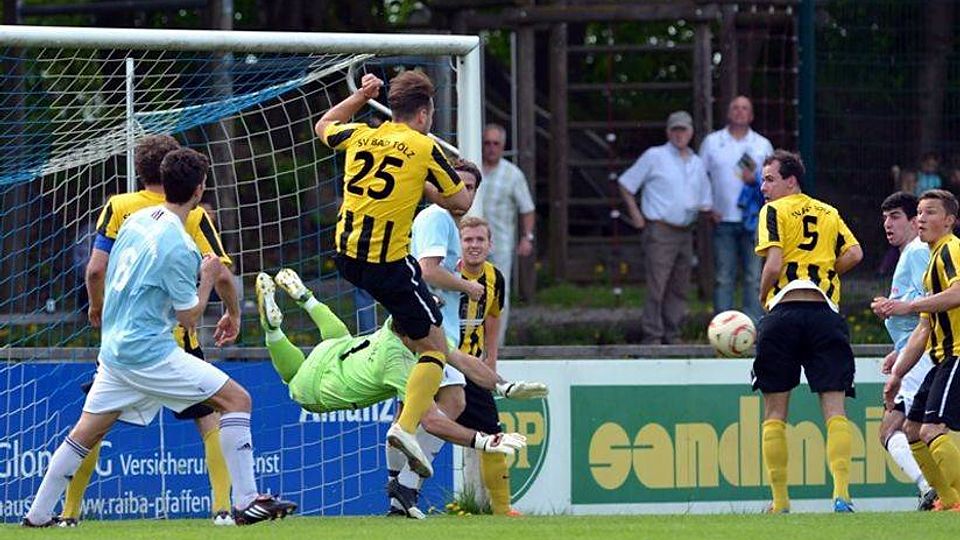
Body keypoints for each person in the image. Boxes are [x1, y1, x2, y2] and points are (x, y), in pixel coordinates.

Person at [22, 148, 296, 528]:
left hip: (116, 351)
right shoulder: (180, 245)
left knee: (86, 432)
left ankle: (37, 516)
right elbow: (188, 316)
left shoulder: (135, 220)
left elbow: (102, 270)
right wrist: (206, 277)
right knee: (237, 399)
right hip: (150, 352)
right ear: (200, 190)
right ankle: (246, 500)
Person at [65, 135, 240, 527]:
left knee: (91, 426)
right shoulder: (192, 213)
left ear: (143, 172)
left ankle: (68, 513)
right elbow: (220, 270)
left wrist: (98, 307)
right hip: (176, 340)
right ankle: (222, 509)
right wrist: (231, 311)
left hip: (125, 340)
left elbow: (95, 269)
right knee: (212, 416)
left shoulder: (120, 206)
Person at [315, 71, 473, 478]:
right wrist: (427, 187)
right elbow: (460, 199)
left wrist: (363, 96)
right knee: (435, 346)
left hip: (346, 258)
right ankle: (404, 427)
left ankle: (403, 338)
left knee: (412, 325)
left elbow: (323, 126)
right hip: (388, 264)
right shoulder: (424, 147)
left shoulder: (360, 135)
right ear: (423, 114)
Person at [753, 150, 863, 513]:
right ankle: (842, 493)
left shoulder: (773, 212)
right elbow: (855, 253)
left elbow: (774, 262)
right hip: (823, 314)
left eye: (770, 179)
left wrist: (762, 293)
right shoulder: (828, 211)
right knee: (834, 409)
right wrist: (826, 272)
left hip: (784, 312)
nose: (763, 187)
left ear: (791, 181)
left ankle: (780, 501)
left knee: (774, 412)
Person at [390, 158, 482, 516]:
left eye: (470, 187)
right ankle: (407, 486)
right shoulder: (436, 218)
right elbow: (428, 271)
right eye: (456, 184)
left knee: (407, 411)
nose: (463, 193)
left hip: (429, 327)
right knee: (452, 402)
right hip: (426, 331)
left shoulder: (444, 221)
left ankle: (399, 494)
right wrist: (467, 286)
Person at [877, 189, 960, 512]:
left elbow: (957, 293)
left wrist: (906, 305)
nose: (922, 218)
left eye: (931, 213)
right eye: (920, 213)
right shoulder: (930, 262)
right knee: (911, 430)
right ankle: (948, 501)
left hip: (956, 353)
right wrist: (897, 374)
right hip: (940, 357)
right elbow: (924, 328)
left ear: (949, 221)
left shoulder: (951, 250)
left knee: (931, 429)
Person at [618, 110, 712, 344]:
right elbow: (626, 183)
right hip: (660, 230)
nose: (679, 134)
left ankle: (673, 333)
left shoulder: (697, 163)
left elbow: (705, 199)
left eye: (683, 130)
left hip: (685, 231)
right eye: (675, 130)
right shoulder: (654, 156)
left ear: (691, 133)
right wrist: (635, 214)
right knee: (657, 285)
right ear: (668, 132)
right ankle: (652, 335)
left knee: (679, 286)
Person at [869, 192, 936, 509]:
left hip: (923, 358)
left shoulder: (918, 252)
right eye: (885, 217)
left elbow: (933, 302)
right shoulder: (909, 254)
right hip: (913, 353)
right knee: (899, 429)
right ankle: (932, 489)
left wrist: (894, 308)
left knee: (907, 429)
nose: (887, 223)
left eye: (895, 216)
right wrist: (899, 350)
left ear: (914, 221)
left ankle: (934, 489)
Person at [455, 215, 517, 516]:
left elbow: (493, 315)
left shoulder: (495, 278)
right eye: (468, 240)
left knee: (492, 433)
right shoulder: (444, 272)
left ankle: (503, 510)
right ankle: (402, 501)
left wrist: (491, 357)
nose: (474, 245)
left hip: (472, 369)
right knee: (418, 430)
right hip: (438, 363)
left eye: (480, 240)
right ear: (459, 244)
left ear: (490, 245)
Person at [699, 96, 773, 322]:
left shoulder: (762, 144)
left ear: (751, 115)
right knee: (723, 276)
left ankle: (754, 329)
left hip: (755, 221)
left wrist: (756, 180)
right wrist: (708, 207)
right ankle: (723, 329)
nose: (740, 112)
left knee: (754, 277)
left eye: (745, 108)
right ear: (728, 113)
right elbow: (700, 176)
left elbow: (772, 181)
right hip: (722, 219)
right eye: (735, 108)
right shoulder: (712, 142)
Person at [469, 123, 535, 345]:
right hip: (470, 243)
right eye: (487, 143)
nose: (491, 148)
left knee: (499, 294)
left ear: (503, 146)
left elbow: (527, 208)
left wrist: (527, 237)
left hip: (501, 244)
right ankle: (471, 343)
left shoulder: (513, 174)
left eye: (495, 143)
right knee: (469, 291)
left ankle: (498, 344)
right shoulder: (472, 168)